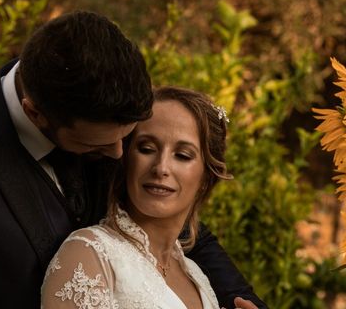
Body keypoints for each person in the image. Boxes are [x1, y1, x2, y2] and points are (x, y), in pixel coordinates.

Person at [0, 11, 265, 309]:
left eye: (128, 139)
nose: (118, 155)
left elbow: (169, 224)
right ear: (36, 113)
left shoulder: (97, 87)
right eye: (97, 147)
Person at [42, 86, 246, 309]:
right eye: (147, 148)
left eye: (182, 155)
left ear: (206, 177)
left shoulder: (197, 276)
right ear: (126, 159)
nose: (161, 168)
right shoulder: (88, 255)